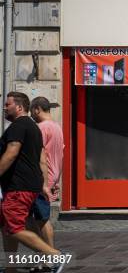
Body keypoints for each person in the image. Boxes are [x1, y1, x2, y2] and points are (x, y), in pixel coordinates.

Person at [1, 92, 67, 273]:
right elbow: (42, 160)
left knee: (16, 227)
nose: (4, 107)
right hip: (31, 185)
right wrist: (45, 183)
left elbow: (12, 152)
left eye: (7, 104)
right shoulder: (35, 128)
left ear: (20, 107)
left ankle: (53, 256)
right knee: (7, 226)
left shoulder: (19, 127)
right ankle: (10, 268)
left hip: (19, 187)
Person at [30, 96, 65, 252]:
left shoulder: (41, 128)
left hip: (41, 179)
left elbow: (39, 155)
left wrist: (45, 182)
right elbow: (61, 156)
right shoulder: (57, 127)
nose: (31, 114)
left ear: (37, 109)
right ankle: (44, 258)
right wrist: (56, 181)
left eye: (32, 110)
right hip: (51, 178)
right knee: (38, 220)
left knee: (41, 220)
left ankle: (49, 257)